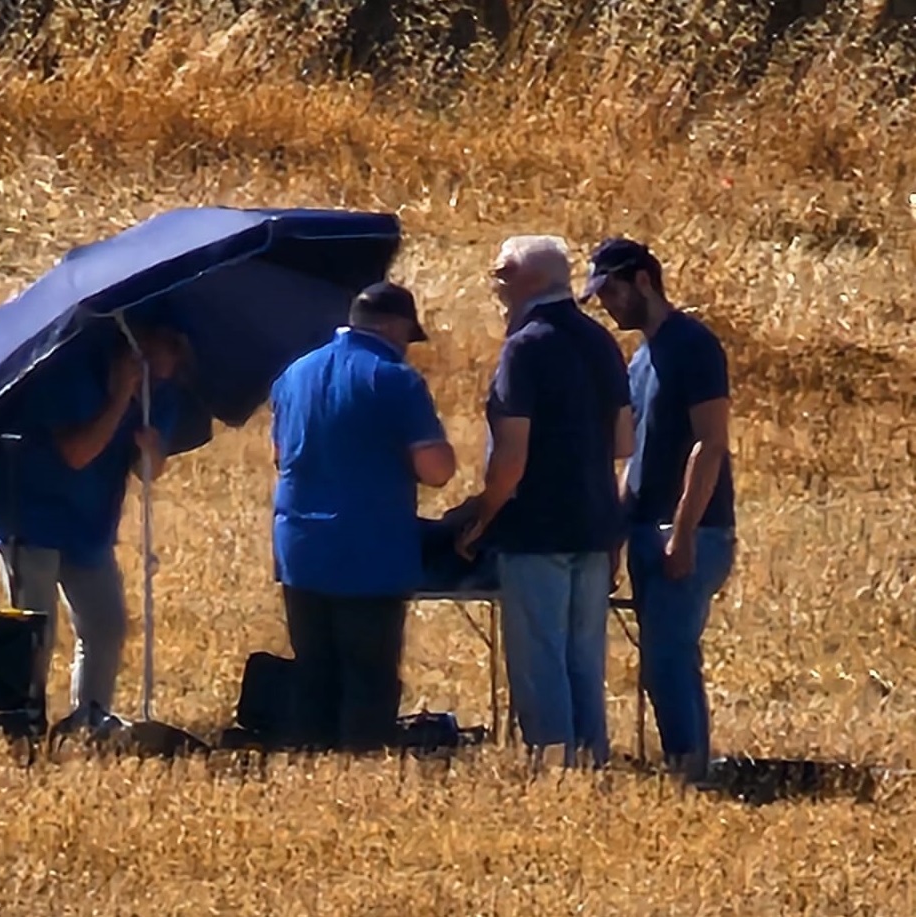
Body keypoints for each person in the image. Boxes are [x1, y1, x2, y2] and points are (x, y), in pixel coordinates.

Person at [455, 235, 634, 770]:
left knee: (540, 659)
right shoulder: (602, 342)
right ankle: (591, 763)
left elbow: (511, 455)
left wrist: (482, 516)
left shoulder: (524, 347)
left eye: (500, 274)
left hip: (535, 529)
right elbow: (625, 443)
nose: (496, 285)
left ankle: (555, 769)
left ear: (522, 278)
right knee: (584, 658)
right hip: (596, 523)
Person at [269, 280, 456, 752]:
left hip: (301, 545)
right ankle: (360, 772)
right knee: (368, 677)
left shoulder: (294, 374)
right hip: (368, 548)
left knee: (314, 672)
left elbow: (278, 453)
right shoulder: (395, 378)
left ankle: (312, 768)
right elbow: (435, 471)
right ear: (394, 327)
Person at [0, 324, 191, 737]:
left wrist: (152, 453)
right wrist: (117, 401)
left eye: (172, 362)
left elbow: (148, 470)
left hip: (89, 526)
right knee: (35, 630)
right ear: (132, 350)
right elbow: (77, 453)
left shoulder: (159, 395)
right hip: (30, 516)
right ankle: (24, 720)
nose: (164, 372)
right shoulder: (70, 376)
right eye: (156, 359)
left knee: (106, 624)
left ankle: (90, 718)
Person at [579, 236, 736, 782]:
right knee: (662, 659)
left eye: (612, 290)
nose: (607, 303)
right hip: (648, 527)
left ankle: (690, 770)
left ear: (643, 280)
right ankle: (686, 762)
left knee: (667, 656)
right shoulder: (641, 358)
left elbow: (710, 442)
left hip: (690, 527)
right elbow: (638, 456)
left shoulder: (693, 346)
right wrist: (618, 533)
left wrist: (685, 531)